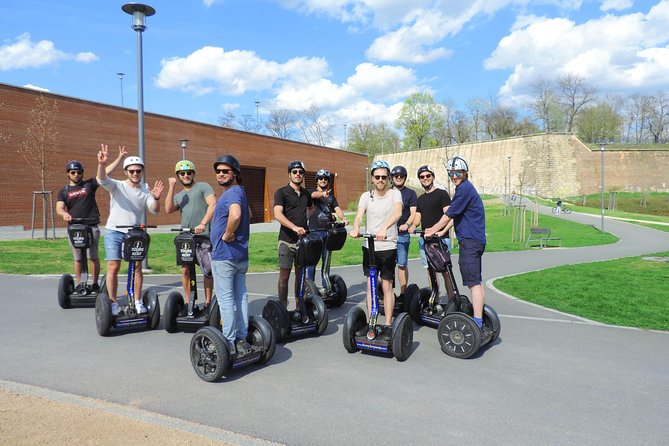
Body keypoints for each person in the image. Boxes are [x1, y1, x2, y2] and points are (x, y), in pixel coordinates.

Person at [97, 144, 164, 315]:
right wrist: (102, 165)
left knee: (136, 267)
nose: (135, 174)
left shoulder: (145, 190)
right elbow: (101, 179)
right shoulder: (117, 185)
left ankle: (137, 300)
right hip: (114, 231)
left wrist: (156, 197)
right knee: (113, 267)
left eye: (138, 171)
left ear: (142, 172)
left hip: (134, 233)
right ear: (126, 172)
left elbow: (154, 210)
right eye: (132, 171)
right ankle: (112, 303)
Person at [425, 156, 488, 334]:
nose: (454, 176)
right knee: (477, 282)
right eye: (451, 173)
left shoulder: (464, 189)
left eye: (457, 173)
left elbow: (450, 213)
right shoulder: (466, 189)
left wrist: (432, 229)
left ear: (465, 173)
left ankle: (477, 323)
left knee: (473, 284)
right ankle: (479, 317)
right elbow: (457, 216)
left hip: (470, 241)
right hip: (475, 240)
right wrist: (443, 231)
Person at [56, 147, 126, 290]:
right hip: (74, 228)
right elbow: (59, 207)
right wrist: (64, 214)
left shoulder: (89, 185)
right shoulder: (63, 191)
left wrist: (119, 158)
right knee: (78, 258)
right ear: (68, 174)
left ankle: (94, 283)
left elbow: (105, 173)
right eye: (73, 172)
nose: (76, 175)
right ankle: (80, 284)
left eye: (79, 172)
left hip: (91, 226)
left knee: (93, 256)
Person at [350, 160, 402, 332]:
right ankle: (371, 320)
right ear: (372, 178)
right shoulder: (366, 196)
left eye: (384, 177)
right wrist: (356, 227)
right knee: (371, 284)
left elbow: (397, 212)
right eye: (377, 176)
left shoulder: (394, 194)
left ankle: (387, 324)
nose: (380, 179)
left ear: (388, 178)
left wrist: (385, 227)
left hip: (387, 246)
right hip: (370, 246)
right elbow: (359, 215)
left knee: (387, 285)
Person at [210, 155, 252, 354]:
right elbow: (249, 214)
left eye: (225, 171)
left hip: (225, 256)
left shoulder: (232, 193)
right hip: (239, 256)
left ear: (234, 173)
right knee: (240, 297)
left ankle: (229, 341)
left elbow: (236, 214)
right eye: (218, 171)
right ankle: (242, 338)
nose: (221, 174)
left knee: (226, 300)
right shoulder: (239, 192)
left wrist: (227, 234)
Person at [164, 160, 216, 315]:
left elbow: (213, 204)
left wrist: (203, 223)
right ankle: (189, 304)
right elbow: (168, 209)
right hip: (186, 238)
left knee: (207, 271)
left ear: (193, 174)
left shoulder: (203, 187)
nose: (186, 175)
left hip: (203, 236)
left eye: (188, 173)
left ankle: (207, 304)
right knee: (185, 270)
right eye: (182, 173)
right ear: (178, 176)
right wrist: (171, 187)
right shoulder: (179, 196)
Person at [273, 160, 314, 313]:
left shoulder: (306, 194)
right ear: (289, 174)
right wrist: (294, 227)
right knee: (284, 277)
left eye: (300, 172)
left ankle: (299, 307)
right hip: (286, 241)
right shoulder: (281, 192)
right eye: (295, 172)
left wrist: (306, 221)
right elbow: (277, 214)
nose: (298, 174)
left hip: (302, 243)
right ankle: (283, 309)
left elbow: (311, 208)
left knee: (300, 277)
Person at [410, 165, 453, 290]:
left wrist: (442, 231)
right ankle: (435, 301)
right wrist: (412, 226)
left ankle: (451, 302)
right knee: (430, 271)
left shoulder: (442, 194)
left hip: (441, 239)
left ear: (433, 177)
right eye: (422, 177)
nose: (425, 178)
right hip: (425, 240)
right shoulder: (421, 199)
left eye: (428, 176)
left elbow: (449, 215)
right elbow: (417, 219)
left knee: (445, 271)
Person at [306, 168, 349, 287]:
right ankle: (309, 288)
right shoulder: (311, 192)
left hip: (328, 233)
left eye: (325, 178)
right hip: (314, 232)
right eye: (320, 178)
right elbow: (313, 195)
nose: (323, 180)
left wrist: (343, 218)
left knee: (326, 262)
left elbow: (337, 209)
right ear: (317, 180)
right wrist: (322, 194)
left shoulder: (331, 197)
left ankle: (326, 288)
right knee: (312, 263)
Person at [390, 165, 417, 296]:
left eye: (401, 176)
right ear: (392, 178)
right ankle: (389, 293)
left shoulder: (410, 194)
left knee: (401, 264)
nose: (399, 178)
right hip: (388, 235)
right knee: (387, 265)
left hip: (402, 234)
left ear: (405, 178)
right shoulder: (387, 192)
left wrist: (407, 224)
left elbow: (413, 213)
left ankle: (403, 293)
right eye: (396, 176)